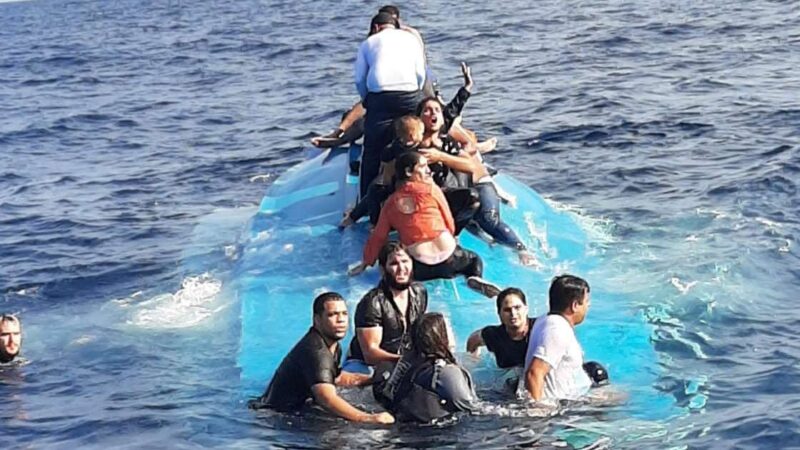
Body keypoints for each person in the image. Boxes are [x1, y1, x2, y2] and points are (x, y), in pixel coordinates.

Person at [349, 151, 501, 298]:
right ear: (409, 172)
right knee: (473, 259)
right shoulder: (432, 189)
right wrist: (452, 237)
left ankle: (401, 285)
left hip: (419, 267)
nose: (429, 170)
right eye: (423, 167)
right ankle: (473, 277)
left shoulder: (390, 204)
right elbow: (448, 220)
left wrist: (366, 262)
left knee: (399, 255)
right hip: (450, 260)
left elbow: (378, 236)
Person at [249, 292, 394, 424]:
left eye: (344, 314)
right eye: (332, 315)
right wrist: (368, 418)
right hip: (276, 418)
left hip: (296, 409)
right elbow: (326, 399)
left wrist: (371, 380)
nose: (341, 320)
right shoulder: (315, 351)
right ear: (316, 319)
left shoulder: (332, 345)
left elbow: (335, 378)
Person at [354, 11, 426, 198]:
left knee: (372, 150)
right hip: (410, 94)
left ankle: (365, 200)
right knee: (414, 142)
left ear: (376, 28)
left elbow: (360, 79)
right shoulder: (411, 39)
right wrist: (414, 93)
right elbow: (421, 73)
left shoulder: (368, 43)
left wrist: (366, 100)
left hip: (380, 98)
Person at [373, 312, 477, 423]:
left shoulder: (406, 364)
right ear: (440, 335)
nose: (453, 332)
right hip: (436, 434)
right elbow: (470, 407)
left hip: (404, 429)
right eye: (449, 328)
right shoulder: (445, 372)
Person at [343, 242, 428, 374]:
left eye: (405, 261)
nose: (401, 268)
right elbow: (370, 354)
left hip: (400, 357)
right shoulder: (372, 303)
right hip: (365, 364)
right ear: (382, 269)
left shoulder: (419, 293)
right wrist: (407, 361)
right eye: (394, 264)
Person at [522, 275, 593, 402]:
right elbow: (534, 373)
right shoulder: (557, 329)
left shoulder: (545, 320)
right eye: (586, 301)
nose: (588, 306)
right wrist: (537, 415)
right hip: (556, 415)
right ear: (575, 305)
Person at [466, 287, 534, 369]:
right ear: (499, 313)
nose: (513, 313)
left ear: (526, 309)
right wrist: (473, 363)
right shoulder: (494, 335)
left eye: (517, 308)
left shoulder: (539, 328)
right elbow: (473, 340)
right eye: (507, 310)